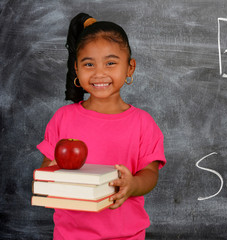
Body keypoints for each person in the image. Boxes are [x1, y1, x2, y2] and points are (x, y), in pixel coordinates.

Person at [37, 12, 166, 239]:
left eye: (110, 63)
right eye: (89, 64)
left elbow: (150, 173)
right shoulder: (63, 118)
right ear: (76, 69)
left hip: (126, 234)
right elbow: (48, 168)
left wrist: (132, 185)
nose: (99, 73)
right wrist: (53, 170)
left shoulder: (142, 123)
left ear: (130, 68)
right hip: (70, 234)